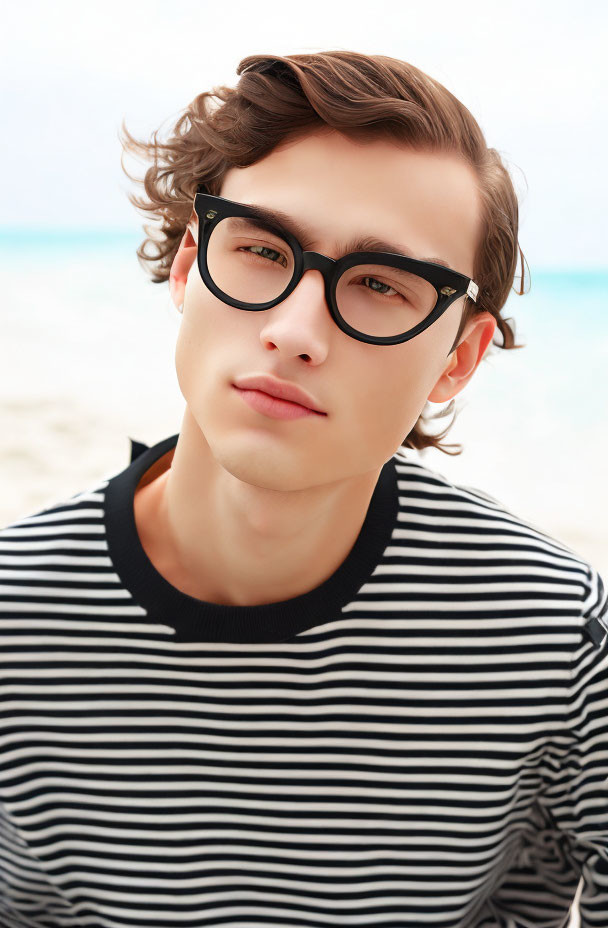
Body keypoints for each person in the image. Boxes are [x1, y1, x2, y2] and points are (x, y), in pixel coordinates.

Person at [1, 50, 606, 928]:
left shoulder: (556, 641)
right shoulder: (16, 620)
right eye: (260, 248)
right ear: (186, 266)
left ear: (459, 359)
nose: (294, 332)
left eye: (379, 285)